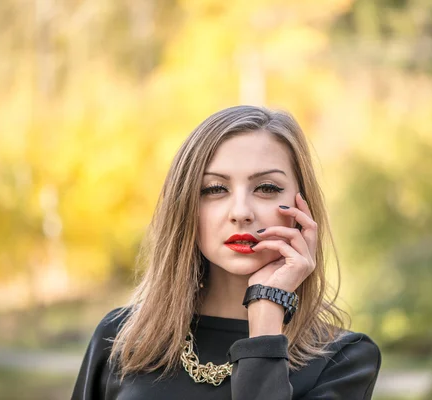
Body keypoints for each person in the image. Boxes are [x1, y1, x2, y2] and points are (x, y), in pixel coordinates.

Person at [71, 105, 381, 399]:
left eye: (267, 188)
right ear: (185, 207)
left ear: (302, 206)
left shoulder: (342, 361)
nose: (241, 212)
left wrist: (267, 308)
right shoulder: (122, 338)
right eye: (215, 189)